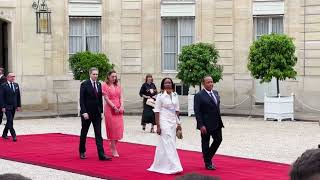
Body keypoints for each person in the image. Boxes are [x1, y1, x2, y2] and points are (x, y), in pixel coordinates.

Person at [147, 77, 183, 174]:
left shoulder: (175, 95)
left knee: (166, 144)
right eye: (166, 83)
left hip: (173, 121)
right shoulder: (160, 96)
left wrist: (178, 124)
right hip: (163, 121)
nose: (168, 84)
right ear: (163, 85)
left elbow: (177, 110)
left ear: (172, 84)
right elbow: (157, 111)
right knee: (168, 142)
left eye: (169, 83)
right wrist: (158, 126)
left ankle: (161, 165)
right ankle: (175, 166)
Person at [79, 67, 111, 161]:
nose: (95, 76)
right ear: (90, 74)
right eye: (94, 74)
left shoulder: (99, 84)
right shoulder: (84, 84)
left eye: (97, 74)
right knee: (84, 133)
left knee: (98, 134)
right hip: (87, 114)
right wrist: (84, 112)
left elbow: (99, 100)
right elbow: (82, 99)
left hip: (97, 114)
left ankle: (101, 155)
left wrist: (101, 112)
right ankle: (82, 151)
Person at [194, 75, 224, 170]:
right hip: (205, 124)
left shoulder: (215, 93)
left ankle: (207, 157)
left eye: (211, 82)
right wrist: (201, 125)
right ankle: (208, 163)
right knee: (205, 143)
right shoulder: (199, 95)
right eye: (208, 82)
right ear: (203, 84)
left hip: (216, 123)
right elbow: (197, 111)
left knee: (218, 139)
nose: (211, 84)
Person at [102, 70, 124, 157]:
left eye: (115, 76)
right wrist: (114, 107)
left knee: (119, 129)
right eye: (112, 76)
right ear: (108, 76)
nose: (114, 78)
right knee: (112, 129)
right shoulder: (105, 85)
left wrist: (121, 106)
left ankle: (112, 144)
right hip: (110, 109)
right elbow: (106, 99)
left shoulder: (117, 85)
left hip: (119, 110)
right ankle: (114, 149)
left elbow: (121, 97)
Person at [1, 73, 21, 142]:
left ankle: (4, 134)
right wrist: (2, 106)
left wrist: (18, 105)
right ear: (8, 77)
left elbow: (18, 96)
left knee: (9, 120)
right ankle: (14, 135)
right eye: (12, 77)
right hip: (6, 106)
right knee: (10, 120)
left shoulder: (16, 85)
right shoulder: (3, 85)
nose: (13, 78)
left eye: (14, 77)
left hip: (14, 106)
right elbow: (1, 97)